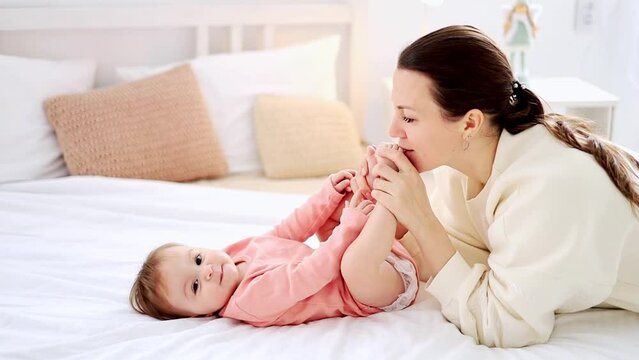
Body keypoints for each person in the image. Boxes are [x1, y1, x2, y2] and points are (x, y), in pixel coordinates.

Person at [352, 25, 639, 347]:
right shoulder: (459, 166)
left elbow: (504, 325)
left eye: (408, 118)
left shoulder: (547, 187)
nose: (392, 130)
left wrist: (421, 218)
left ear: (470, 123)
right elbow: (459, 257)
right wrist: (386, 218)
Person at [129, 152, 420, 325]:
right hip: (369, 290)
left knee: (333, 215)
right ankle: (388, 195)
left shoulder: (238, 254)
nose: (205, 271)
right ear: (196, 315)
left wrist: (328, 194)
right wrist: (348, 227)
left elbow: (290, 230)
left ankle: (368, 192)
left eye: (198, 258)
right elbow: (311, 273)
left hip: (366, 257)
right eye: (194, 286)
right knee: (349, 249)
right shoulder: (249, 301)